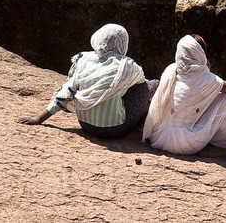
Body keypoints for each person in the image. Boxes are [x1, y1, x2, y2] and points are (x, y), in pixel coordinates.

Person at [18, 23, 158, 140]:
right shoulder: (128, 66)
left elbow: (67, 90)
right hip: (115, 130)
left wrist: (39, 119)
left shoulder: (84, 59)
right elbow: (143, 86)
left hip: (85, 125)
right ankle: (144, 128)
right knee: (153, 85)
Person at [142, 34, 226, 154]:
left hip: (158, 136)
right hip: (183, 143)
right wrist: (208, 68)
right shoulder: (205, 79)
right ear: (200, 53)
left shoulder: (171, 69)